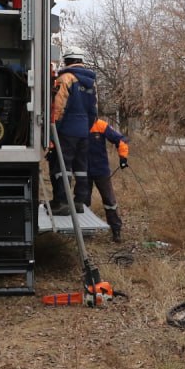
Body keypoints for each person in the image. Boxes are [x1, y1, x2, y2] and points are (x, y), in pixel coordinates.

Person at [48, 46, 98, 214]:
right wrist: (86, 127)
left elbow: (59, 107)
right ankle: (79, 202)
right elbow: (93, 110)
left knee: (63, 166)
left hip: (67, 130)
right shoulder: (91, 82)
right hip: (83, 131)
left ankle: (62, 203)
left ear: (68, 60)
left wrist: (53, 130)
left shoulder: (66, 78)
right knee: (81, 167)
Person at [86, 118, 130, 242]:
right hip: (82, 170)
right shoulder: (78, 123)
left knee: (110, 201)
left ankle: (116, 230)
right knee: (83, 202)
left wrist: (123, 157)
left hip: (101, 170)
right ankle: (85, 231)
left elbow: (120, 139)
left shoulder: (100, 125)